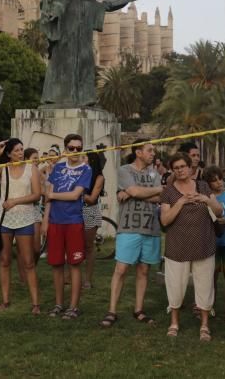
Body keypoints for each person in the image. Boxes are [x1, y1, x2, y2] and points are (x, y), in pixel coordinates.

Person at [161, 152, 223, 341]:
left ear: (189, 167)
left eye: (183, 166)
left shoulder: (203, 186)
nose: (180, 170)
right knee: (175, 285)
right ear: (173, 170)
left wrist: (207, 200)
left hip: (204, 243)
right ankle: (174, 322)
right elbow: (165, 220)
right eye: (176, 168)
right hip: (177, 246)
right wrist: (180, 202)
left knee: (205, 285)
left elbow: (219, 212)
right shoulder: (169, 192)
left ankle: (204, 325)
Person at [100, 141, 162, 328]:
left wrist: (135, 193)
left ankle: (138, 310)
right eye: (150, 150)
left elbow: (160, 198)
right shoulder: (124, 170)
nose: (153, 153)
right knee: (121, 269)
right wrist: (153, 190)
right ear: (138, 152)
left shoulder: (154, 173)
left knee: (144, 270)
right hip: (128, 228)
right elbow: (139, 191)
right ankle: (112, 311)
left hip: (151, 228)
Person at [0, 138, 42, 313]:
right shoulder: (3, 169)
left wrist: (15, 201)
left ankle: (35, 304)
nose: (20, 153)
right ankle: (5, 301)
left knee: (28, 262)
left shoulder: (31, 169)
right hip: (4, 220)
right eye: (16, 150)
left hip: (25, 219)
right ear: (9, 154)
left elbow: (37, 195)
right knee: (4, 261)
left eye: (21, 149)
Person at [43, 133, 93, 319]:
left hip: (73, 222)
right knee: (56, 264)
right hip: (55, 222)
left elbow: (74, 195)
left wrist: (52, 195)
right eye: (71, 148)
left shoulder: (86, 170)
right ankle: (58, 304)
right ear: (65, 149)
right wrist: (46, 220)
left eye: (78, 149)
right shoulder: (58, 167)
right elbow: (47, 194)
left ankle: (73, 306)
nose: (75, 152)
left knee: (74, 264)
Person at [203, 166, 225, 323]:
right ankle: (210, 307)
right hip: (213, 243)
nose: (218, 182)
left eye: (220, 179)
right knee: (212, 277)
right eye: (214, 180)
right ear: (208, 184)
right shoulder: (207, 199)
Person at [82, 149, 106, 290]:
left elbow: (92, 199)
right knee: (74, 246)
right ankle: (70, 276)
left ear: (91, 160)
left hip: (90, 211)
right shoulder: (78, 173)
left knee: (88, 247)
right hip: (75, 212)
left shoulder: (98, 177)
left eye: (84, 157)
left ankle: (87, 279)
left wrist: (76, 193)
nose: (80, 159)